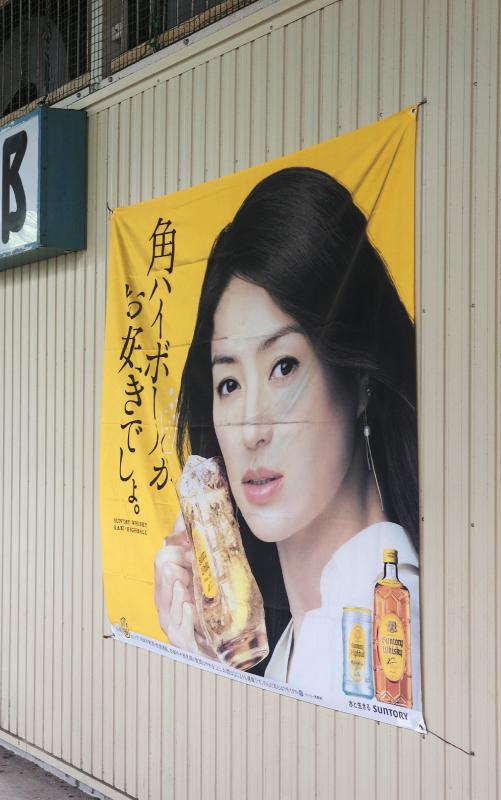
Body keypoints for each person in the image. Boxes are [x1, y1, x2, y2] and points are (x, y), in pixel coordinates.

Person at [154, 167, 420, 706]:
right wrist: (203, 651)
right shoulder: (305, 632)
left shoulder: (375, 629)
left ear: (360, 381)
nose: (251, 428)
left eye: (284, 367)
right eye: (228, 381)